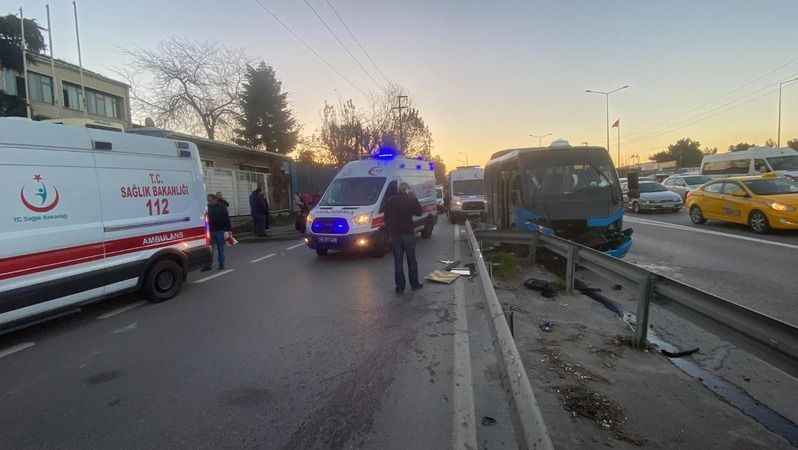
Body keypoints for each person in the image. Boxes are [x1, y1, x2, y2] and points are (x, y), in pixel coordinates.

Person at [384, 182, 423, 293]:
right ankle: (414, 284)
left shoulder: (390, 200)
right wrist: (414, 197)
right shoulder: (410, 199)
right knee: (411, 260)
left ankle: (400, 287)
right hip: (408, 234)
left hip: (395, 235)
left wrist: (390, 231)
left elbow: (386, 217)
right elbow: (419, 212)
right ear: (407, 190)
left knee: (398, 262)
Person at [205, 194, 231, 270]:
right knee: (209, 249)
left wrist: (228, 230)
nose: (208, 202)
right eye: (208, 200)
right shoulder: (207, 208)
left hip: (220, 230)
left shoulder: (222, 207)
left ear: (215, 200)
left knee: (220, 248)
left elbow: (227, 218)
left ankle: (221, 264)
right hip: (210, 231)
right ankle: (208, 265)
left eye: (210, 200)